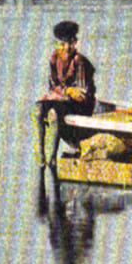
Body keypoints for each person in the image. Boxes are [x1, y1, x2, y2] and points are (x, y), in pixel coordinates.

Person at [35, 20, 97, 166]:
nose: (67, 47)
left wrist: (63, 93)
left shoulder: (79, 61)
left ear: (75, 42)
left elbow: (81, 95)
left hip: (81, 106)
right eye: (62, 44)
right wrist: (67, 91)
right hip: (64, 100)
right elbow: (53, 86)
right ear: (56, 44)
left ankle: (52, 158)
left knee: (54, 114)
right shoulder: (54, 58)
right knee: (38, 108)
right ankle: (40, 155)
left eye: (70, 43)